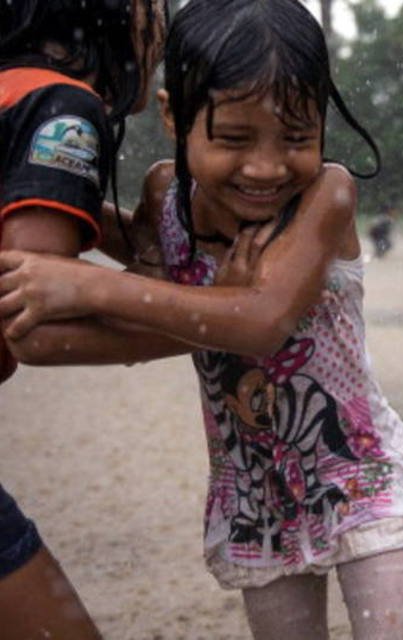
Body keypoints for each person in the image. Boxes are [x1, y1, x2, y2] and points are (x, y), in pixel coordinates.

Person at [0, 1, 403, 638]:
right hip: (254, 495)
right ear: (175, 116)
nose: (266, 167)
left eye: (296, 137)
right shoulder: (164, 196)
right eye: (234, 138)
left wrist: (86, 284)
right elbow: (141, 265)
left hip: (359, 475)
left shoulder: (326, 194)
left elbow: (261, 320)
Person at [0, 1, 168, 637]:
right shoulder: (60, 106)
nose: (162, 28)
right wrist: (224, 322)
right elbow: (32, 318)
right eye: (153, 7)